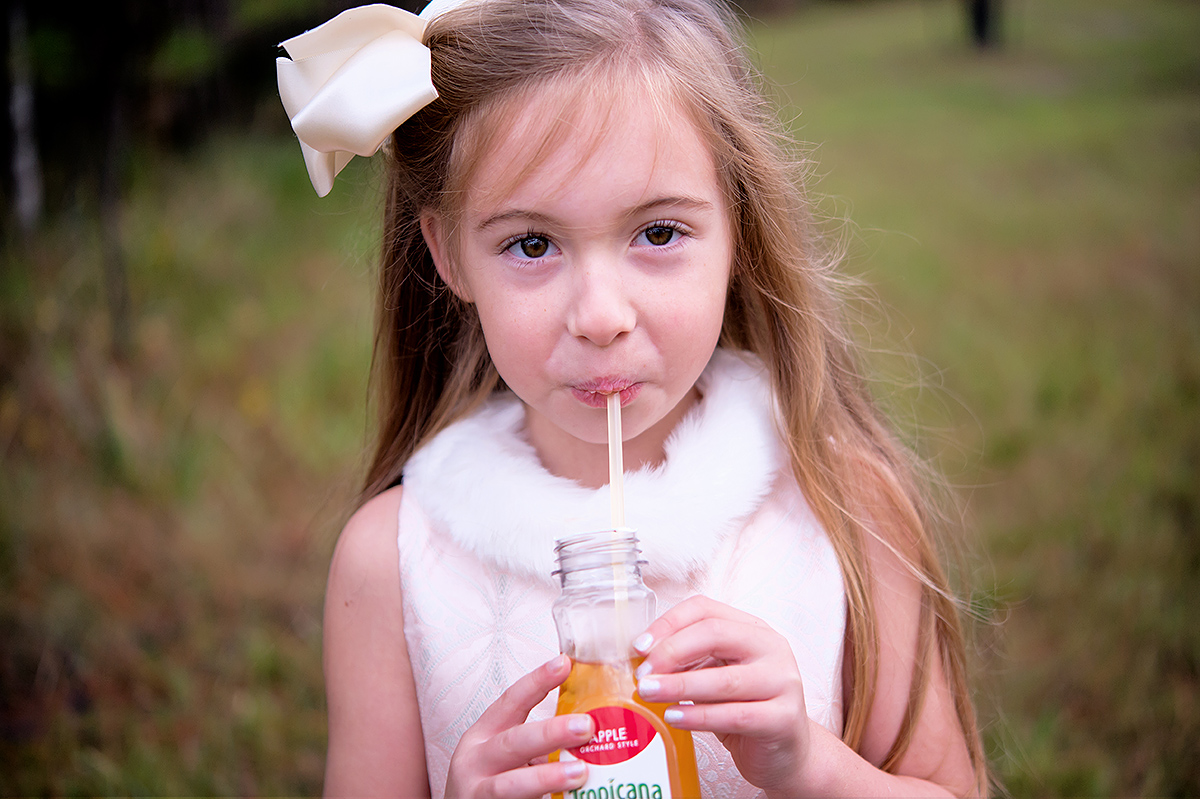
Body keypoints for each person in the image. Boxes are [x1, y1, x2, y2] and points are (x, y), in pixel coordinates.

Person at [276, 0, 988, 796]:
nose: (601, 317)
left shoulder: (841, 501)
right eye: (532, 244)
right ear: (449, 255)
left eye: (657, 233)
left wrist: (809, 765)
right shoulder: (391, 561)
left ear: (737, 227)